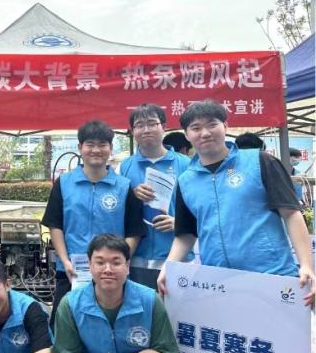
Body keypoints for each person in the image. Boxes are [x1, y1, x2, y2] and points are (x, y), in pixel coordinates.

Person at [158, 100, 315, 307]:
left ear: (225, 126)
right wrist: (168, 267)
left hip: (271, 276)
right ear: (187, 135)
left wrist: (306, 265)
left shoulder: (260, 162)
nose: (205, 133)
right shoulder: (186, 181)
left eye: (212, 124)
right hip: (218, 282)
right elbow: (186, 234)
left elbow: (291, 213)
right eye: (196, 128)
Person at [53, 234, 178, 353]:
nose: (108, 269)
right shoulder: (70, 304)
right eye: (100, 262)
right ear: (90, 265)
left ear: (127, 266)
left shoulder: (149, 300)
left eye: (116, 262)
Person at [41, 120, 145, 326]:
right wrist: (65, 260)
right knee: (64, 325)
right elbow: (55, 225)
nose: (96, 150)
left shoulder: (124, 186)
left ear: (110, 148)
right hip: (71, 271)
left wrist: (119, 263)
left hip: (111, 273)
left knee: (108, 325)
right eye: (90, 144)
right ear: (80, 147)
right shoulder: (64, 183)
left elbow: (134, 231)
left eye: (102, 144)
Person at [119, 104, 191, 289]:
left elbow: (199, 208)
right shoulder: (124, 167)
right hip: (137, 260)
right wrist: (132, 196)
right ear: (132, 131)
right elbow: (117, 212)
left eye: (152, 123)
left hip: (178, 259)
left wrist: (180, 223)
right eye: (139, 125)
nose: (146, 130)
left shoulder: (186, 165)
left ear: (164, 127)